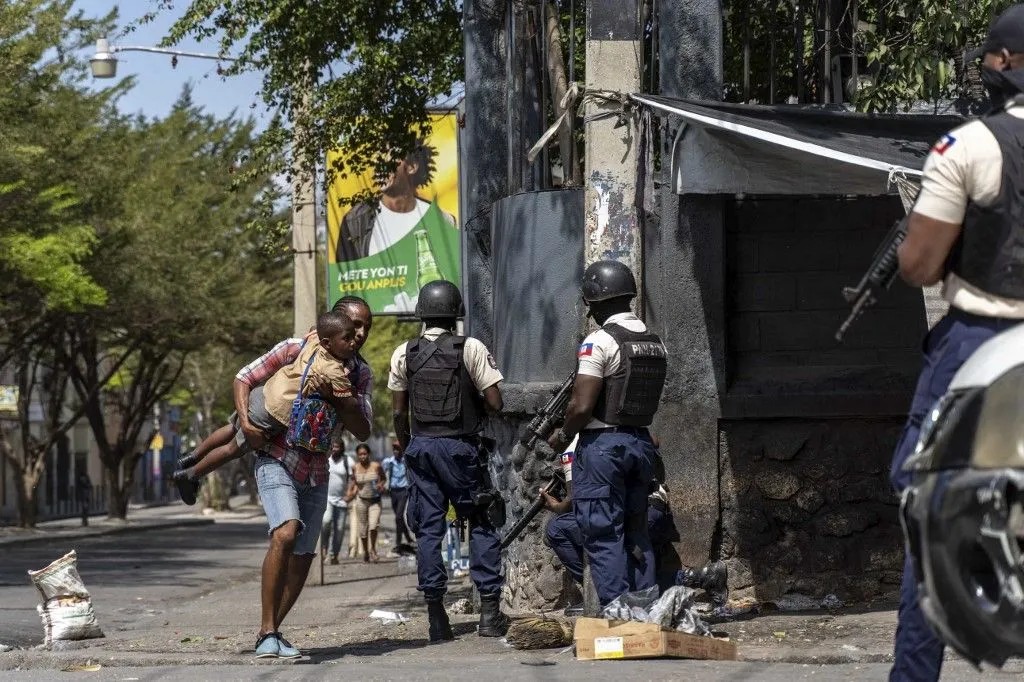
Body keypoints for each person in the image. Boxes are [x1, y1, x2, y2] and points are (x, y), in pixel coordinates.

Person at [888, 6, 1024, 680]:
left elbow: (918, 265)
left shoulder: (968, 146)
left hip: (981, 343)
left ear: (1004, 63)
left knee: (929, 511)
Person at [231, 298, 376, 660]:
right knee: (285, 532)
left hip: (316, 471)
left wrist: (337, 397)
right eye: (353, 326)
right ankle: (268, 631)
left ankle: (270, 632)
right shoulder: (295, 349)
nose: (359, 335)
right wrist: (246, 423)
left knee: (304, 555)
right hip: (276, 459)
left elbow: (363, 429)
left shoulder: (360, 374)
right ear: (334, 326)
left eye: (366, 328)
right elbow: (245, 377)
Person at [389, 279, 507, 642]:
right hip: (461, 449)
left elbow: (398, 412)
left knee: (428, 530)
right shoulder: (471, 347)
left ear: (421, 314)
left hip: (421, 449)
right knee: (482, 520)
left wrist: (409, 446)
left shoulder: (403, 352)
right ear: (457, 312)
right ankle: (489, 614)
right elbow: (495, 402)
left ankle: (436, 619)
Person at [546, 260, 668, 607]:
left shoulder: (599, 341)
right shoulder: (655, 343)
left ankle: (619, 615)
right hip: (640, 443)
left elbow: (582, 405)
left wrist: (563, 435)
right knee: (637, 533)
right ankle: (646, 613)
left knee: (603, 534)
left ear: (597, 303)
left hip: (603, 448)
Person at [172, 311, 367, 505]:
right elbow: (349, 403)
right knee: (232, 449)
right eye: (347, 338)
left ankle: (191, 457)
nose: (353, 342)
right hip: (271, 414)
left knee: (231, 428)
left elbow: (315, 329)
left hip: (263, 394)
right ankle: (190, 475)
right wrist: (347, 395)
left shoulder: (313, 342)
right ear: (328, 343)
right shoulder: (334, 370)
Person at [541, 441, 726, 615]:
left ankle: (597, 593)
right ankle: (700, 576)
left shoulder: (575, 446)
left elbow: (573, 500)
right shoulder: (628, 430)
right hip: (653, 511)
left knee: (557, 528)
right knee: (634, 578)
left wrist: (555, 506)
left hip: (628, 515)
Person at [335, 142, 455, 262]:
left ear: (412, 167)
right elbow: (344, 271)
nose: (379, 165)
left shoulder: (441, 221)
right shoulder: (355, 221)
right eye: (377, 158)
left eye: (389, 156)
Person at [345, 443, 386, 562]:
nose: (363, 456)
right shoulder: (355, 467)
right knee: (363, 530)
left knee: (373, 526)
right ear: (357, 455)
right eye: (360, 454)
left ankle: (373, 550)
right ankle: (366, 552)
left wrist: (381, 485)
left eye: (365, 454)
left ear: (369, 454)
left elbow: (383, 478)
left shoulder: (376, 466)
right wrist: (349, 493)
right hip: (361, 501)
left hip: (375, 501)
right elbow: (353, 481)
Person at [320, 440, 351, 565]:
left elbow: (352, 479)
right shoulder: (326, 459)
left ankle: (334, 554)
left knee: (339, 528)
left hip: (341, 500)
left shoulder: (347, 461)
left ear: (342, 448)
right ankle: (324, 548)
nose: (335, 449)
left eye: (337, 447)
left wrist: (349, 494)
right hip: (327, 498)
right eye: (333, 447)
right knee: (326, 522)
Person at [382, 437, 414, 547]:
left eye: (398, 449)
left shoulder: (406, 461)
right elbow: (381, 474)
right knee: (399, 517)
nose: (396, 451)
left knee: (398, 517)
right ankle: (408, 538)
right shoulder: (388, 462)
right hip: (393, 492)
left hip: (403, 491)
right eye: (394, 449)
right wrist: (382, 484)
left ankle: (398, 542)